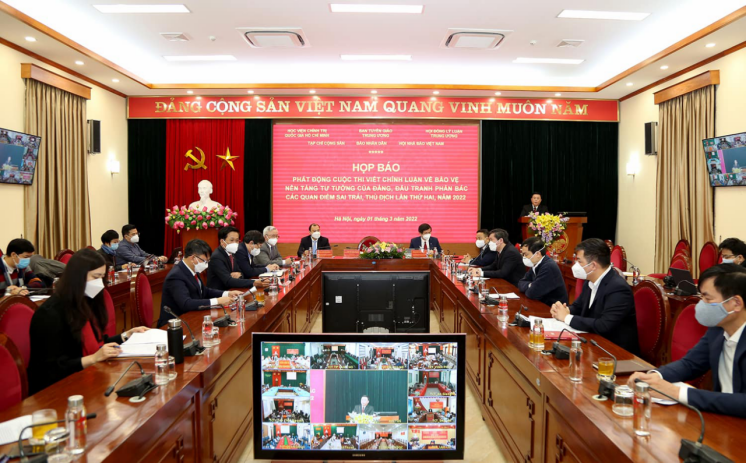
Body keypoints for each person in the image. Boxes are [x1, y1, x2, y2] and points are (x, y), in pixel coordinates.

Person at [628, 264, 745, 417]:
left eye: (707, 298)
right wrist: (655, 376)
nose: (701, 303)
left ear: (736, 303)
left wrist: (677, 393)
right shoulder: (718, 329)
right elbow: (690, 364)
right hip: (723, 418)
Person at [27, 249, 149, 394]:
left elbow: (97, 344)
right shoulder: (50, 313)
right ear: (77, 277)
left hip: (89, 378)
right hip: (57, 390)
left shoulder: (86, 302)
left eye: (102, 277)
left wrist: (126, 335)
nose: (100, 284)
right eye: (95, 277)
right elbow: (50, 369)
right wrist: (93, 358)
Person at [550, 238, 639, 354]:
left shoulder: (618, 288)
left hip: (615, 352)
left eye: (579, 261)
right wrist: (563, 310)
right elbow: (578, 307)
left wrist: (566, 317)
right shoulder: (590, 281)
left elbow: (604, 325)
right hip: (593, 342)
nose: (575, 265)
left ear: (593, 265)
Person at [157, 239, 244, 326]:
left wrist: (227, 293)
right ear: (193, 258)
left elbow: (204, 290)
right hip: (174, 324)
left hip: (192, 317)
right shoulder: (176, 276)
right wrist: (217, 301)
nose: (206, 265)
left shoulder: (192, 269)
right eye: (205, 261)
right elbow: (186, 304)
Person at [517, 236, 568, 306]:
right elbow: (520, 283)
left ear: (538, 254)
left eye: (526, 254)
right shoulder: (535, 263)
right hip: (541, 303)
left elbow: (532, 293)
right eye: (523, 254)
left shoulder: (548, 267)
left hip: (552, 307)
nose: (524, 257)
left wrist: (531, 286)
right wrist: (530, 285)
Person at [207, 226, 261, 291]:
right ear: (222, 241)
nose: (235, 243)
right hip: (220, 293)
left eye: (237, 240)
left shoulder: (232, 253)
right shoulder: (217, 257)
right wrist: (254, 282)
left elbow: (241, 273)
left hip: (233, 289)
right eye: (231, 240)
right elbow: (228, 281)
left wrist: (240, 274)